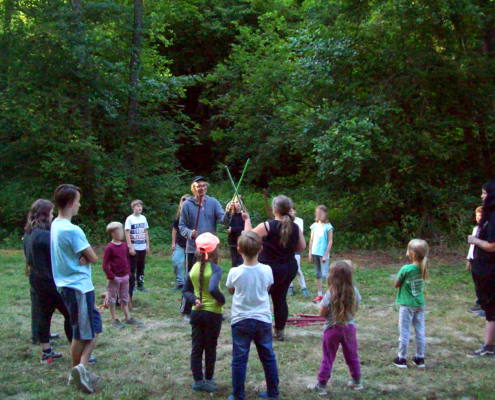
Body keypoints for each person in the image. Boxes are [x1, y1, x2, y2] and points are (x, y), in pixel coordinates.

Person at [50, 184, 101, 393]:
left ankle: (82, 368)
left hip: (71, 285)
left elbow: (86, 255)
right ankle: (75, 373)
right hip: (77, 287)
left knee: (95, 328)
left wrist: (84, 255)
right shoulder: (72, 230)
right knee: (81, 333)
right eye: (78, 200)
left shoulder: (56, 224)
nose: (80, 204)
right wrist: (87, 255)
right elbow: (94, 257)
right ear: (71, 203)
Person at [242, 195, 306, 341]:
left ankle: (259, 330)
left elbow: (246, 240)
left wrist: (247, 221)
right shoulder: (295, 226)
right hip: (288, 268)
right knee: (280, 298)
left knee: (261, 299)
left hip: (269, 269)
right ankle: (280, 331)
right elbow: (301, 246)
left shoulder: (267, 226)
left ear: (275, 209)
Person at [226, 231, 279, 400]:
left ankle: (237, 394)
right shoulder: (267, 270)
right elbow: (267, 289)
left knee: (239, 359)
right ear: (261, 249)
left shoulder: (234, 272)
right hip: (263, 319)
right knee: (268, 357)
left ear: (239, 250)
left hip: (241, 320)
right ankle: (273, 393)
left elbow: (231, 290)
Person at [24, 199, 72, 364]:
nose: (53, 216)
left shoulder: (29, 232)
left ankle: (46, 352)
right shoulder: (45, 236)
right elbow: (57, 259)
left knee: (44, 314)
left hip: (36, 279)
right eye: (51, 213)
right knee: (70, 313)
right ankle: (77, 351)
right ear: (45, 214)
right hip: (49, 280)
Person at [179, 176, 232, 322]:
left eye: (204, 186)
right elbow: (181, 226)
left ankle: (212, 309)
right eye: (198, 186)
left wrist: (228, 212)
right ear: (193, 188)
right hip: (193, 249)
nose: (201, 188)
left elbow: (224, 221)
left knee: (211, 278)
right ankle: (186, 310)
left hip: (211, 249)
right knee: (191, 278)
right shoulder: (187, 205)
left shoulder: (213, 202)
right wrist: (190, 233)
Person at [308, 260, 363, 395]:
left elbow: (321, 313)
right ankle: (357, 380)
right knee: (352, 355)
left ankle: (321, 385)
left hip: (332, 329)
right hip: (349, 328)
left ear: (332, 276)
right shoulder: (354, 291)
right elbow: (356, 308)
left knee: (328, 357)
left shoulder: (330, 293)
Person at [182, 233, 225, 393]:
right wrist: (222, 300)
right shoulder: (216, 269)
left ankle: (197, 381)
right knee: (210, 347)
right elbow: (213, 288)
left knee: (197, 347)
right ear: (215, 251)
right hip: (212, 313)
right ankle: (209, 378)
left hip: (196, 313)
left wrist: (194, 300)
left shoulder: (193, 268)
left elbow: (186, 290)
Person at [467, 181, 495, 358]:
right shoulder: (489, 215)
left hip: (490, 270)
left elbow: (492, 246)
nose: (482, 196)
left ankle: (489, 346)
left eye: (484, 193)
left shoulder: (493, 218)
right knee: (489, 308)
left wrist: (474, 240)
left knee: (491, 309)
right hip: (483, 268)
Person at [393, 239, 429, 369]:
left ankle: (401, 358)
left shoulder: (406, 268)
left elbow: (396, 284)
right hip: (420, 304)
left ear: (412, 254)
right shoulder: (424, 267)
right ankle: (420, 357)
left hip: (407, 305)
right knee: (420, 331)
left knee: (404, 331)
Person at [102, 222, 141, 329]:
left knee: (124, 297)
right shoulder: (109, 247)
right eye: (119, 231)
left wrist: (128, 272)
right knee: (112, 298)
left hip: (125, 277)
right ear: (113, 233)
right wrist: (112, 277)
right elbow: (104, 265)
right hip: (114, 278)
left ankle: (127, 317)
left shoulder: (124, 245)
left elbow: (127, 260)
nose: (122, 233)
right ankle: (114, 319)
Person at [309, 205, 334, 303]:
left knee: (325, 274)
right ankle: (320, 295)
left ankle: (331, 294)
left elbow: (330, 241)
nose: (319, 215)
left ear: (325, 214)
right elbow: (311, 240)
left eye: (321, 213)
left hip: (323, 254)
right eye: (318, 213)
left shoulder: (328, 226)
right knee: (317, 274)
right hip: (315, 252)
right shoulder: (314, 226)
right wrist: (310, 252)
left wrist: (325, 255)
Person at [125, 199, 150, 297]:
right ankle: (131, 285)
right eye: (137, 206)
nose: (139, 208)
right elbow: (127, 232)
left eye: (141, 206)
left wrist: (147, 245)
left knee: (141, 266)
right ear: (133, 207)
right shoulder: (130, 219)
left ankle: (140, 284)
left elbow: (146, 231)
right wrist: (130, 247)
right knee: (132, 267)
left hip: (142, 246)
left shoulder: (143, 218)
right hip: (134, 247)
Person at [467, 206, 484, 317]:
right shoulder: (475, 229)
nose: (478, 218)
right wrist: (469, 260)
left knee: (484, 282)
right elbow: (472, 247)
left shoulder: (487, 229)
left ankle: (485, 305)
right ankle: (479, 302)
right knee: (477, 282)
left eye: (480, 216)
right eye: (477, 216)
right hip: (474, 259)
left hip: (483, 259)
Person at [288, 206, 309, 298]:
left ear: (295, 211)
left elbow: (298, 232)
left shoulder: (299, 220)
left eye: (291, 211)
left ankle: (304, 287)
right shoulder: (285, 220)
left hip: (295, 247)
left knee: (297, 269)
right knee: (288, 269)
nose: (290, 212)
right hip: (287, 248)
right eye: (288, 211)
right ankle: (290, 286)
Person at [171, 195, 189, 290]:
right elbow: (174, 229)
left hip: (190, 243)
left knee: (189, 265)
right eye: (183, 200)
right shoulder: (179, 215)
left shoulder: (193, 213)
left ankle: (187, 284)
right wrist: (173, 242)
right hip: (180, 243)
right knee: (176, 261)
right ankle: (180, 282)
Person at [228, 197, 245, 268]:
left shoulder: (244, 215)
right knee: (234, 261)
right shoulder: (231, 215)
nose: (238, 204)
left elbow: (244, 228)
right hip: (232, 241)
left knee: (241, 260)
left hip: (241, 241)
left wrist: (233, 230)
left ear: (242, 203)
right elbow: (228, 227)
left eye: (239, 202)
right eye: (236, 202)